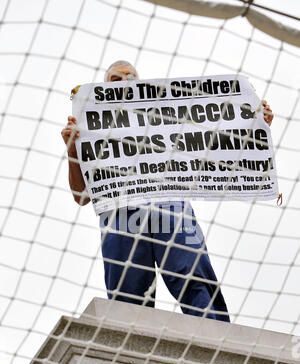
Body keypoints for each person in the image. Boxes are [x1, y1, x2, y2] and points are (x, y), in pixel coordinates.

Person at [61, 61, 274, 322]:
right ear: (103, 88)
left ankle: (215, 339)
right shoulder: (91, 126)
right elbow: (80, 196)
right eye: (116, 79)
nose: (125, 81)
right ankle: (130, 356)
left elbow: (213, 136)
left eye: (131, 76)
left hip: (169, 204)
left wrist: (252, 123)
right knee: (126, 294)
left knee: (192, 276)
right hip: (120, 211)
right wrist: (73, 149)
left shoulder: (166, 114)